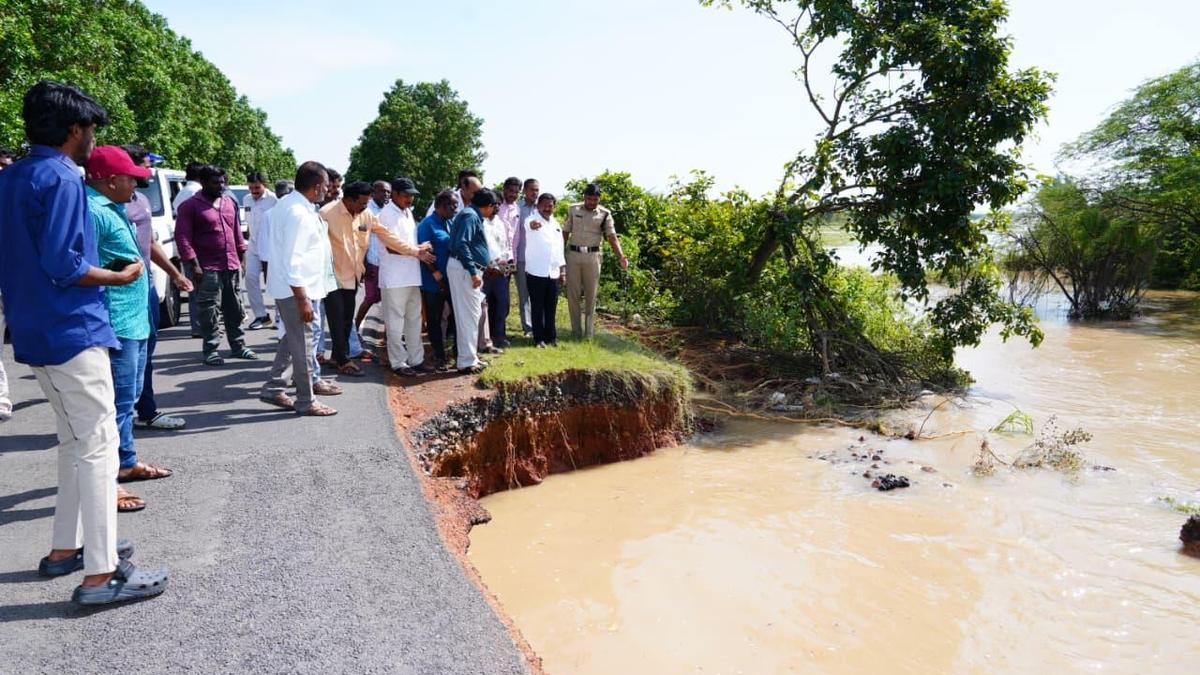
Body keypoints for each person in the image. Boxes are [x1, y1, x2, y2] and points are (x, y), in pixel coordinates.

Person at [0, 80, 168, 605]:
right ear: (75, 130)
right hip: (72, 327)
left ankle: (65, 549)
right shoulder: (64, 179)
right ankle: (101, 572)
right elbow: (65, 265)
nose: (93, 139)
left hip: (33, 328)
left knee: (74, 440)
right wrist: (118, 279)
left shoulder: (13, 178)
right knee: (98, 446)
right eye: (92, 130)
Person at [85, 145, 174, 512]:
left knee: (130, 395)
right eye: (132, 179)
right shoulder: (92, 212)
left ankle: (127, 460)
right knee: (114, 405)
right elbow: (79, 270)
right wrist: (119, 277)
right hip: (116, 321)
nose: (138, 185)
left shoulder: (116, 207)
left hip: (135, 318)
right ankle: (112, 478)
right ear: (109, 180)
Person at [321, 180, 431, 376]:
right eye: (362, 203)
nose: (365, 207)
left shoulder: (367, 215)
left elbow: (387, 236)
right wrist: (416, 252)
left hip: (353, 275)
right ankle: (343, 360)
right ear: (348, 200)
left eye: (366, 203)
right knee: (337, 319)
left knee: (346, 319)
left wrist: (415, 250)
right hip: (332, 276)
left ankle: (338, 357)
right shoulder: (327, 214)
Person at [121, 145, 191, 433]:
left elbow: (149, 242)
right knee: (126, 356)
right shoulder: (110, 203)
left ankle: (146, 411)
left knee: (147, 352)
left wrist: (175, 273)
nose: (148, 171)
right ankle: (122, 421)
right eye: (143, 165)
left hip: (146, 285)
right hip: (121, 290)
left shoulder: (141, 200)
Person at [260, 161, 339, 416]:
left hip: (299, 288)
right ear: (316, 187)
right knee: (303, 345)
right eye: (326, 186)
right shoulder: (296, 212)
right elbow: (293, 259)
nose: (328, 191)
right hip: (296, 290)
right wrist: (302, 299)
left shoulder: (295, 206)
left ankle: (274, 387)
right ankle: (306, 400)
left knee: (292, 339)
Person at [175, 164, 256, 366]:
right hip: (207, 267)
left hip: (231, 264)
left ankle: (238, 346)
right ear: (203, 183)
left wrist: (242, 258)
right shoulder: (190, 206)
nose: (220, 186)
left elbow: (237, 232)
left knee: (235, 308)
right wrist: (194, 265)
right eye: (215, 182)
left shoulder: (230, 202)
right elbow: (183, 237)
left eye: (222, 182)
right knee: (209, 311)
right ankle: (211, 349)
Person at [378, 177, 436, 376]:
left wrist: (419, 249)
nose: (410, 199)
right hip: (394, 278)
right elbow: (391, 247)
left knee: (414, 320)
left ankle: (416, 359)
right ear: (394, 194)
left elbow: (409, 244)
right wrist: (417, 250)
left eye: (412, 196)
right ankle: (398, 362)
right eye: (406, 195)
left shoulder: (407, 212)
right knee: (395, 321)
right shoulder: (386, 214)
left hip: (411, 275)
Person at [564, 183, 628, 339]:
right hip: (574, 255)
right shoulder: (573, 209)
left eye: (595, 199)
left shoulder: (605, 214)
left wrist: (621, 256)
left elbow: (612, 237)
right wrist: (559, 255)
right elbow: (565, 232)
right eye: (589, 199)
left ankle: (589, 334)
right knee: (573, 295)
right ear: (584, 197)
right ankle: (576, 332)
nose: (592, 202)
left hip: (593, 257)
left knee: (591, 295)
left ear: (599, 199)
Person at [447, 188, 498, 374]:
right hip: (465, 269)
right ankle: (467, 361)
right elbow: (462, 243)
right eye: (493, 207)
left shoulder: (471, 213)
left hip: (466, 269)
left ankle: (469, 358)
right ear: (489, 206)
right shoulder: (470, 215)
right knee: (468, 316)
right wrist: (472, 272)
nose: (493, 211)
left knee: (470, 315)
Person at [352, 180, 393, 361]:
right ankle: (354, 328)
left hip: (387, 262)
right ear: (374, 191)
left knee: (386, 299)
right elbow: (362, 239)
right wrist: (364, 263)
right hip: (372, 262)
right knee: (370, 298)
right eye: (383, 191)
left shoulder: (389, 210)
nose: (386, 195)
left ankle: (386, 334)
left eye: (388, 192)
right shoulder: (367, 210)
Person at [418, 190, 457, 370]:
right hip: (433, 281)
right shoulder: (427, 224)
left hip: (452, 279)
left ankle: (457, 353)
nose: (455, 208)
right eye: (452, 205)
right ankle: (439, 355)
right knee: (434, 319)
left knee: (455, 317)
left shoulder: (449, 222)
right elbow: (423, 252)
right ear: (440, 206)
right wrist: (437, 275)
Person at [523, 193, 567, 347]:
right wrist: (533, 225)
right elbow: (530, 225)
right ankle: (538, 338)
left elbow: (560, 249)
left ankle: (551, 337)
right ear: (538, 206)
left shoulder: (556, 224)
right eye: (544, 205)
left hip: (553, 272)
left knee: (551, 306)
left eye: (550, 205)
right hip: (536, 271)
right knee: (537, 306)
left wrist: (562, 271)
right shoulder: (531, 219)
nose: (547, 208)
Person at [243, 171, 277, 330]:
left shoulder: (274, 200)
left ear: (265, 185)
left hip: (271, 248)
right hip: (254, 246)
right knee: (250, 279)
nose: (254, 191)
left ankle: (280, 317)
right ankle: (261, 316)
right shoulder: (246, 199)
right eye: (251, 187)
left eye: (257, 187)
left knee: (274, 283)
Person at [482, 187, 516, 349]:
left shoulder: (501, 223)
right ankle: (482, 339)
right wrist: (488, 266)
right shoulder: (479, 222)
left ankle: (499, 335)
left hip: (501, 271)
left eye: (499, 204)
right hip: (485, 271)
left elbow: (506, 245)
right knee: (482, 306)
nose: (497, 207)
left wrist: (507, 261)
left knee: (502, 304)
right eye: (495, 204)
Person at [512, 177, 540, 335]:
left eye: (537, 190)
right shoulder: (517, 208)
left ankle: (539, 326)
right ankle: (528, 328)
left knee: (537, 293)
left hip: (537, 259)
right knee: (524, 294)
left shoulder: (541, 208)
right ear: (524, 191)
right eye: (532, 190)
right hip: (521, 257)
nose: (535, 193)